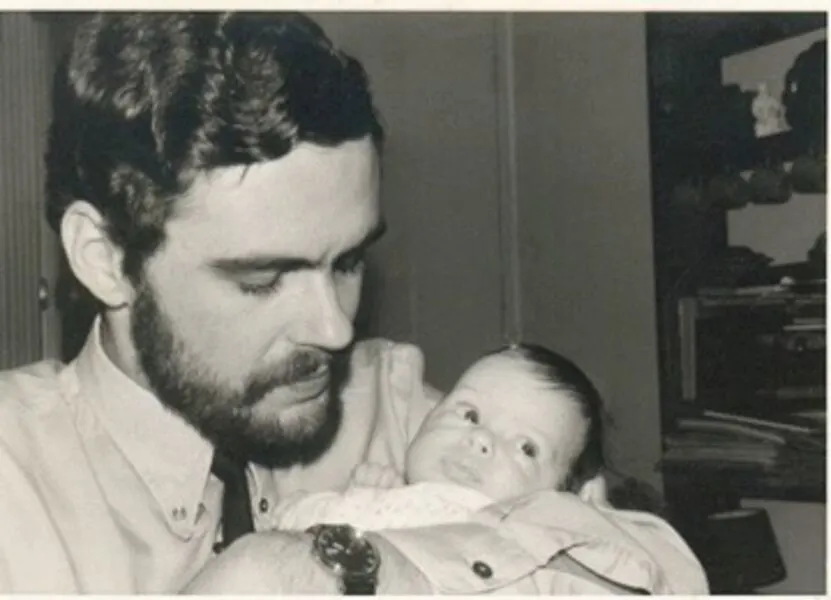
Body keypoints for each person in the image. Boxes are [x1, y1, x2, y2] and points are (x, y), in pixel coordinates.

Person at [0, 12, 707, 594]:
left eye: (348, 262)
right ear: (105, 258)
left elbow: (664, 568)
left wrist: (348, 570)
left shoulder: (394, 406)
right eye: (262, 279)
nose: (334, 329)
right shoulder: (17, 483)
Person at [269, 343, 706, 594]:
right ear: (424, 419)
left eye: (526, 447)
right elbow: (276, 539)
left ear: (572, 496)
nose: (481, 439)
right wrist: (354, 502)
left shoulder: (542, 544)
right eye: (469, 414)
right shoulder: (381, 491)